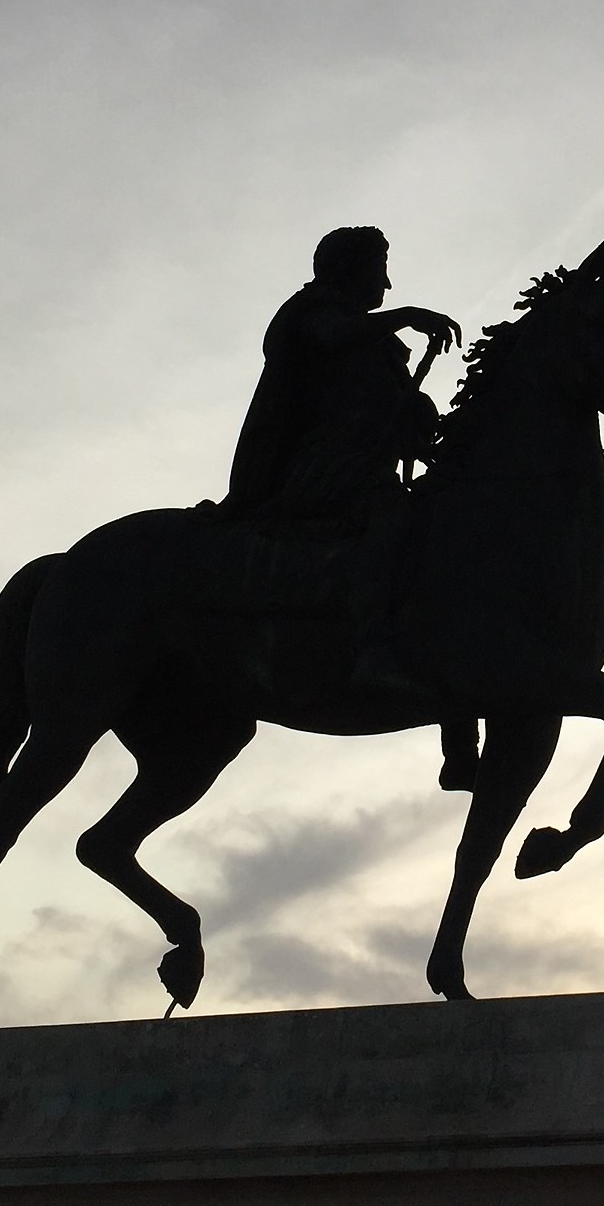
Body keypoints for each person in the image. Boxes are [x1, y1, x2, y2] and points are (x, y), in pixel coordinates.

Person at [221, 227, 481, 789]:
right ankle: (372, 650)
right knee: (394, 525)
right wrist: (405, 316)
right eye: (378, 267)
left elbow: (376, 403)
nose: (386, 283)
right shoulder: (311, 312)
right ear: (347, 268)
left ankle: (460, 736)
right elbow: (333, 343)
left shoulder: (373, 341)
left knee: (445, 549)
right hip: (320, 473)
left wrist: (415, 415)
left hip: (364, 470)